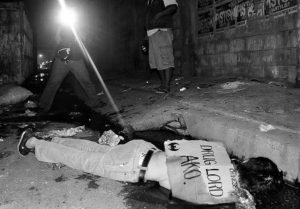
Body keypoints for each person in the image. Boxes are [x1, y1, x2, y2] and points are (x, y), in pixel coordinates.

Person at [18, 129, 283, 206]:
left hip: (142, 148)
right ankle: (32, 143)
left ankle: (54, 141)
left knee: (94, 151)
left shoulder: (224, 157)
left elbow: (178, 147)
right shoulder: (220, 190)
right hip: (134, 166)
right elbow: (170, 185)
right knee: (86, 161)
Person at [39, 26, 100, 112]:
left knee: (86, 81)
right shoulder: (61, 27)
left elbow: (84, 40)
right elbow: (57, 41)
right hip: (62, 59)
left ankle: (95, 102)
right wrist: (60, 30)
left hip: (77, 60)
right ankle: (43, 105)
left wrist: (78, 32)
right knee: (53, 82)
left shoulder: (79, 27)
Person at [145, 0, 178, 94]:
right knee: (157, 61)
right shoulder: (149, 1)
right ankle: (163, 85)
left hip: (161, 30)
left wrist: (159, 15)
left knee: (166, 58)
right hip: (152, 33)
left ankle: (167, 86)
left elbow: (173, 7)